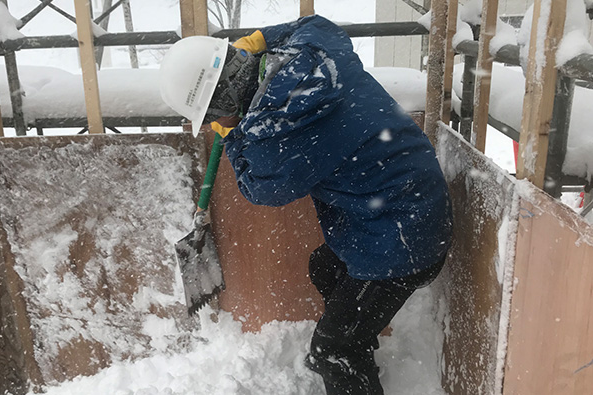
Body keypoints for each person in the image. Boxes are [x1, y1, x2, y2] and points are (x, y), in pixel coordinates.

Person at [160, 15, 453, 395]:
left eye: (211, 117)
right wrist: (262, 38)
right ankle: (357, 340)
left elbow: (260, 189)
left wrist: (232, 135)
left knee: (330, 350)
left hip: (402, 241)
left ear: (224, 102)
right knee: (325, 267)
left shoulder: (281, 132)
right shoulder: (313, 53)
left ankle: (349, 348)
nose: (211, 124)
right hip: (411, 206)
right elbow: (316, 22)